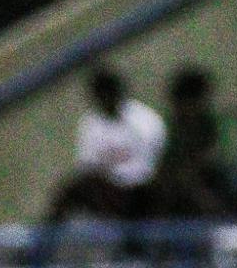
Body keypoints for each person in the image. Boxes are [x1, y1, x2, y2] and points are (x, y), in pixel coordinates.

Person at [48, 68, 166, 221]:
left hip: (141, 189)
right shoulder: (90, 123)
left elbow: (151, 166)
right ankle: (44, 240)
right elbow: (88, 167)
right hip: (108, 192)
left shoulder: (145, 120)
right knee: (71, 190)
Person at [153, 66, 237, 217]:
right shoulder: (166, 129)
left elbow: (212, 157)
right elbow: (165, 170)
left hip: (210, 187)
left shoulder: (212, 125)